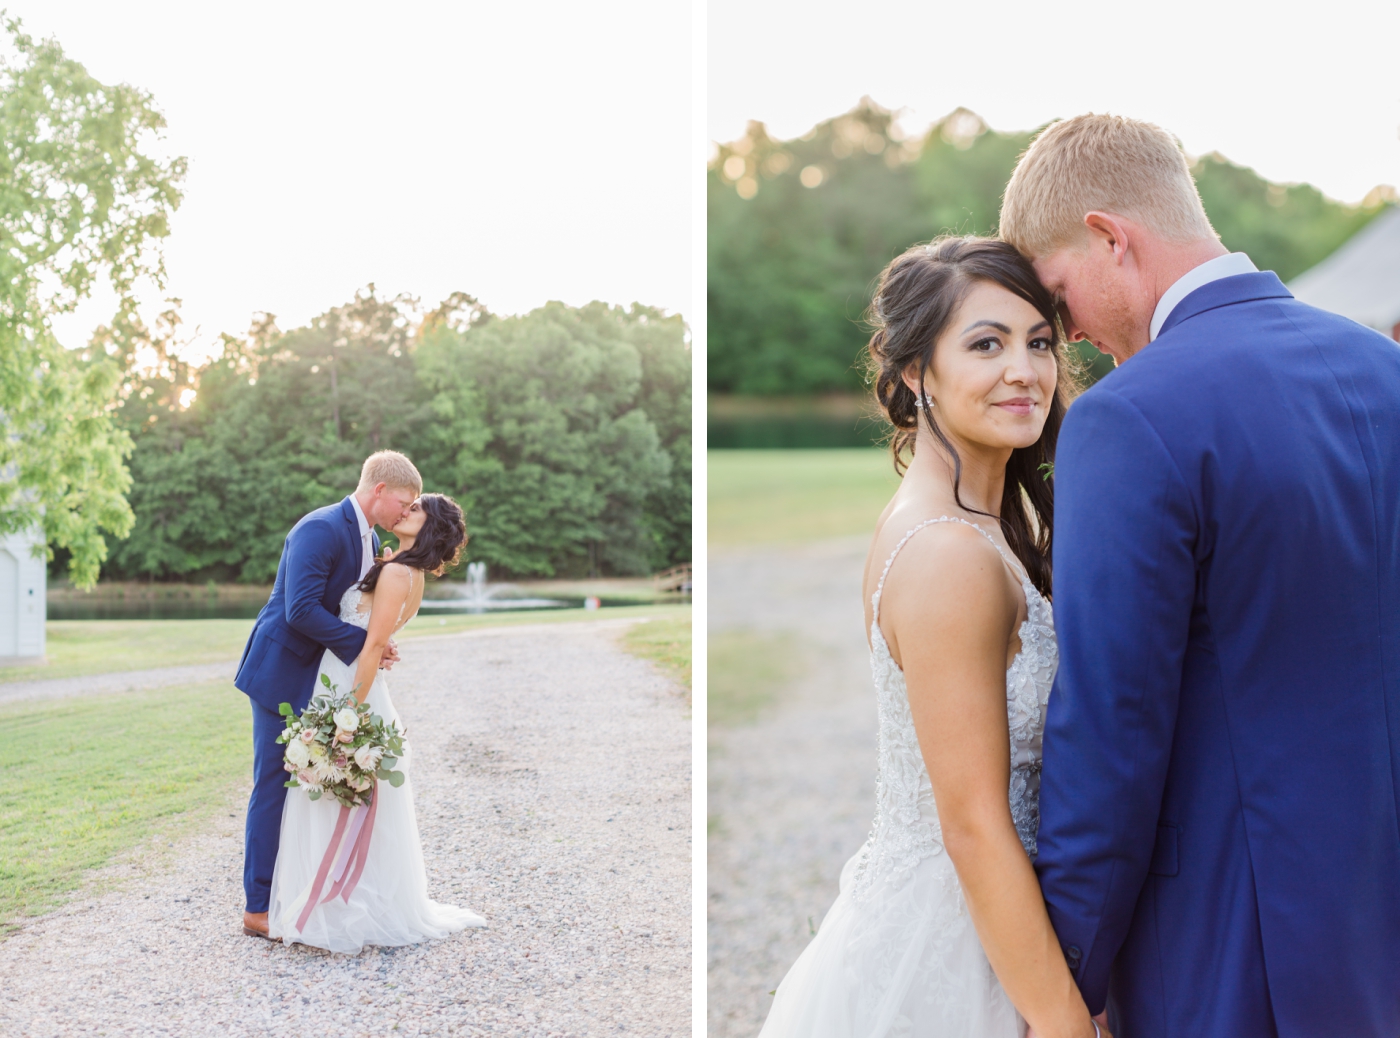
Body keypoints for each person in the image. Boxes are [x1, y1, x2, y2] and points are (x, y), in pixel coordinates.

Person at [1000, 113, 1400, 1037]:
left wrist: (1064, 980)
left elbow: (1112, 728)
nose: (1066, 334)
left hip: (1230, 940)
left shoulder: (1132, 418)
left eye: (1059, 297)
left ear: (1110, 238)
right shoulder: (1385, 369)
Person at [759, 237, 1104, 1038]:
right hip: (957, 946)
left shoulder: (981, 521)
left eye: (1040, 341)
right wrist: (1065, 1026)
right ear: (917, 372)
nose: (1026, 370)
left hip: (992, 918)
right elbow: (975, 827)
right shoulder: (948, 554)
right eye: (987, 343)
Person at [267, 491, 486, 951]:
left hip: (350, 686)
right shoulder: (408, 572)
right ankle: (346, 897)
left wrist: (347, 716)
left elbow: (371, 647)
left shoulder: (396, 573)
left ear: (427, 526)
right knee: (342, 798)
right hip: (351, 682)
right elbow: (377, 634)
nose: (406, 511)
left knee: (331, 797)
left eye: (416, 509)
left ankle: (331, 907)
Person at [235, 450, 419, 939]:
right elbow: (300, 611)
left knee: (309, 786)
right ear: (379, 490)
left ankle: (299, 892)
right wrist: (366, 646)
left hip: (319, 678)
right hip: (280, 673)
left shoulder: (372, 539)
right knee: (274, 783)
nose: (406, 513)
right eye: (403, 503)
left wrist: (377, 644)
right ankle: (257, 908)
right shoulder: (320, 528)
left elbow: (351, 610)